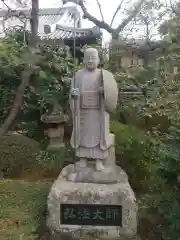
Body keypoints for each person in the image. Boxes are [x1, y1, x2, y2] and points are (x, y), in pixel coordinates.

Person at [70, 48, 118, 171]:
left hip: (98, 112)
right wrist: (74, 95)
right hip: (83, 112)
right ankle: (83, 158)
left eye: (93, 58)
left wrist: (105, 91)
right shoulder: (78, 75)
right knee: (83, 134)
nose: (90, 60)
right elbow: (72, 93)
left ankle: (99, 160)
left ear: (98, 60)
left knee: (99, 136)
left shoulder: (104, 75)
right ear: (84, 60)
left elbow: (112, 92)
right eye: (88, 58)